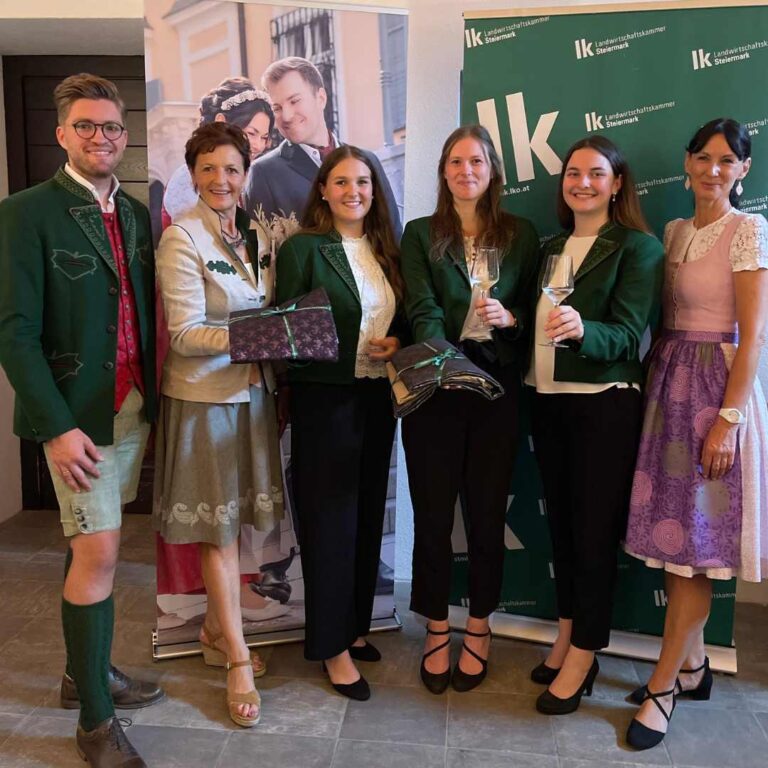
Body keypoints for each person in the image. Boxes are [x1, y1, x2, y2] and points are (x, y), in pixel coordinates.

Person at [0, 73, 163, 767]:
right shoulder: (24, 212)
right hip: (75, 420)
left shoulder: (134, 214)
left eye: (112, 128)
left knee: (98, 547)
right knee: (97, 555)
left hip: (129, 406)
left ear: (125, 137)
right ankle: (95, 722)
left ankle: (82, 674)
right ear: (63, 132)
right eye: (87, 126)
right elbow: (12, 332)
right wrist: (55, 427)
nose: (102, 137)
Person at [623, 118, 768, 749]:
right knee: (677, 537)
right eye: (704, 157)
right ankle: (695, 664)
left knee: (696, 551)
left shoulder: (750, 230)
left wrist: (728, 422)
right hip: (668, 390)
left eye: (727, 160)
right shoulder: (676, 231)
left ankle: (662, 686)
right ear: (686, 163)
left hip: (715, 394)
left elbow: (754, 335)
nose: (713, 168)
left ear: (744, 170)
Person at [524, 136, 663, 716]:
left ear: (617, 184)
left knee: (592, 533)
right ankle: (566, 631)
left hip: (603, 400)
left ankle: (585, 652)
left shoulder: (638, 247)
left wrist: (585, 330)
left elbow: (629, 333)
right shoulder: (551, 246)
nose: (582, 182)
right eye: (573, 173)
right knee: (562, 528)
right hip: (546, 398)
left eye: (596, 173)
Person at [154, 122, 285, 728]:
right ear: (193, 172)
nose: (221, 179)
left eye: (232, 168)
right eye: (209, 168)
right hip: (205, 403)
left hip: (254, 395)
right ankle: (236, 656)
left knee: (240, 527)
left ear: (245, 173)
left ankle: (213, 630)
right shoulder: (181, 236)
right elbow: (183, 336)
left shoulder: (255, 235)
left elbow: (266, 306)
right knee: (220, 532)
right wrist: (261, 335)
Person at [400, 125, 539, 695]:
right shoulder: (419, 234)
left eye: (476, 161)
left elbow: (535, 306)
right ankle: (437, 626)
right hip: (436, 386)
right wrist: (445, 360)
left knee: (485, 515)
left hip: (498, 387)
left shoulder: (523, 235)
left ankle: (479, 627)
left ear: (492, 172)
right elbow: (421, 305)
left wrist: (512, 322)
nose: (465, 170)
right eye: (454, 162)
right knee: (433, 516)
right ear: (444, 172)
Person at [275, 145, 406, 701]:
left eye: (365, 182)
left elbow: (398, 318)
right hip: (324, 400)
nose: (355, 191)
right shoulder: (304, 248)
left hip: (376, 397)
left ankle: (353, 625)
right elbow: (287, 330)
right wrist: (331, 347)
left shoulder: (385, 250)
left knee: (365, 516)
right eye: (343, 181)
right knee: (329, 525)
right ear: (324, 190)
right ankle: (331, 647)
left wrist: (396, 343)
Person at [244, 56, 402, 237]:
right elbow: (259, 255)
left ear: (321, 98)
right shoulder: (264, 173)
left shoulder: (368, 161)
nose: (286, 116)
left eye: (294, 101)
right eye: (277, 108)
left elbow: (393, 235)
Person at [162, 77, 274, 224]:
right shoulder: (189, 178)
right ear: (221, 121)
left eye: (264, 137)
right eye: (252, 133)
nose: (258, 145)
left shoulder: (250, 173)